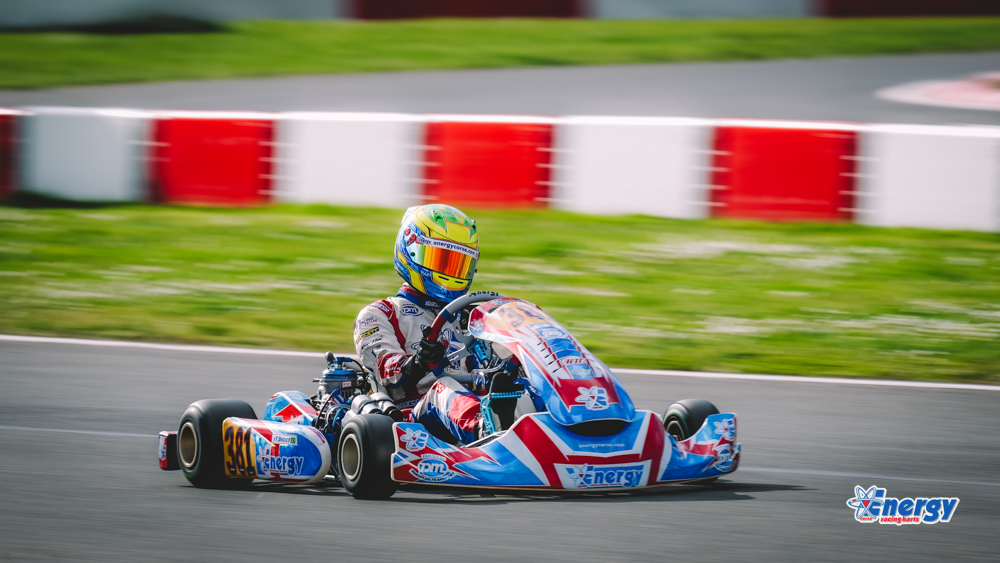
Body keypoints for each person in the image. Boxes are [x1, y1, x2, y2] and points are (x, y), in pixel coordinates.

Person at [353, 204, 484, 445]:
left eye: (458, 264)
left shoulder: (473, 317)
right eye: (441, 261)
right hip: (412, 422)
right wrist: (418, 362)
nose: (450, 273)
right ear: (411, 253)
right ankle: (484, 431)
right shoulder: (381, 313)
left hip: (473, 405)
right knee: (444, 387)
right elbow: (385, 368)